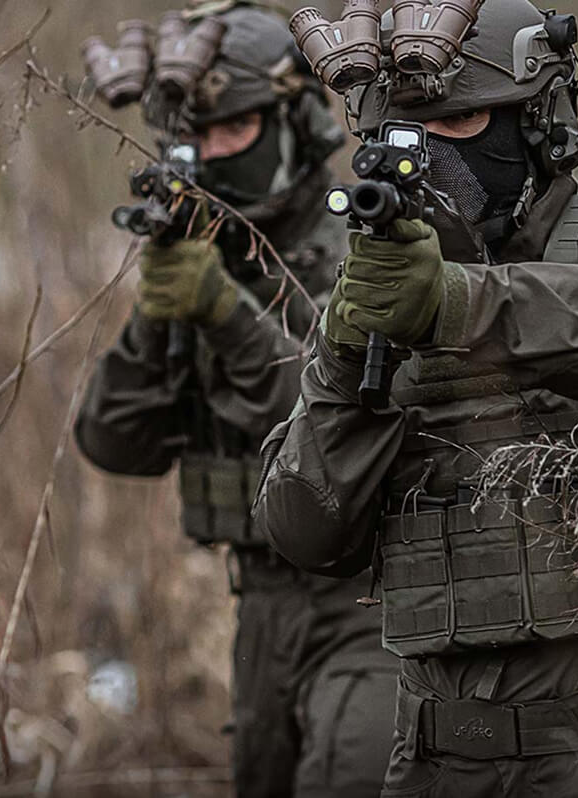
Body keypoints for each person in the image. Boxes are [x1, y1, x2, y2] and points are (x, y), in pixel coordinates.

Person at [254, 1, 578, 795]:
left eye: (463, 122)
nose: (430, 155)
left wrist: (458, 304)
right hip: (431, 759)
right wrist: (346, 362)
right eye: (406, 134)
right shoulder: (376, 300)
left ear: (538, 119)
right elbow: (304, 533)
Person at [75, 3, 397, 796]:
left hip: (372, 598)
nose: (216, 154)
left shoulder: (370, 243)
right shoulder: (201, 257)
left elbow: (340, 432)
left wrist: (225, 313)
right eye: (199, 135)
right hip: (262, 603)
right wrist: (159, 319)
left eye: (237, 129)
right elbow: (113, 442)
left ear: (295, 125)